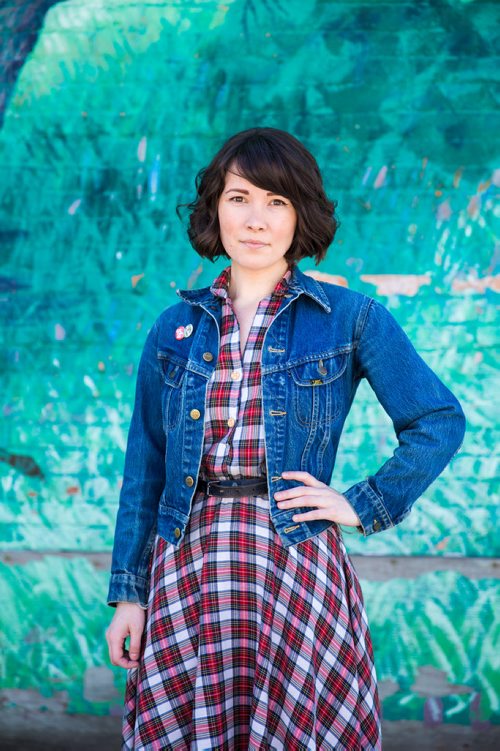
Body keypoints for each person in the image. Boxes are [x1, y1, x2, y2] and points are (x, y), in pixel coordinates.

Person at [105, 127, 466, 750]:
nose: (256, 219)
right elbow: (146, 468)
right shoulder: (173, 328)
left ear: (300, 216)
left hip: (294, 561)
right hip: (188, 563)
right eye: (240, 197)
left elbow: (438, 419)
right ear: (215, 207)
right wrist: (128, 596)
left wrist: (362, 503)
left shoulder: (351, 317)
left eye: (277, 202)